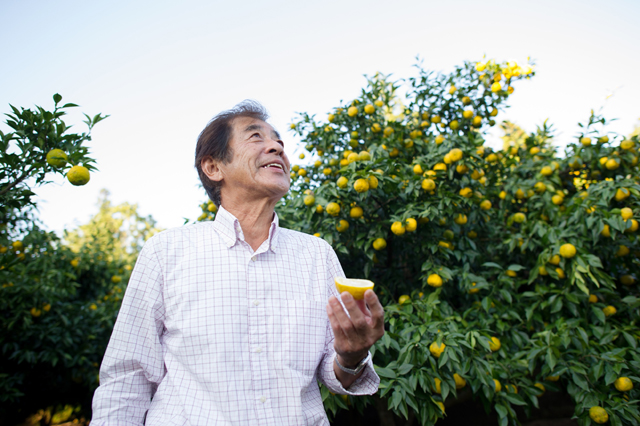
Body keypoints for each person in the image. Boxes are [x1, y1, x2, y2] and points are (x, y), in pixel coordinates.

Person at [91, 100, 385, 425]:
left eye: (279, 142)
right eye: (256, 137)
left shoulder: (316, 254)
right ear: (214, 167)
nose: (276, 147)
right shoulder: (166, 251)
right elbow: (127, 376)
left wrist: (351, 354)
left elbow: (340, 376)